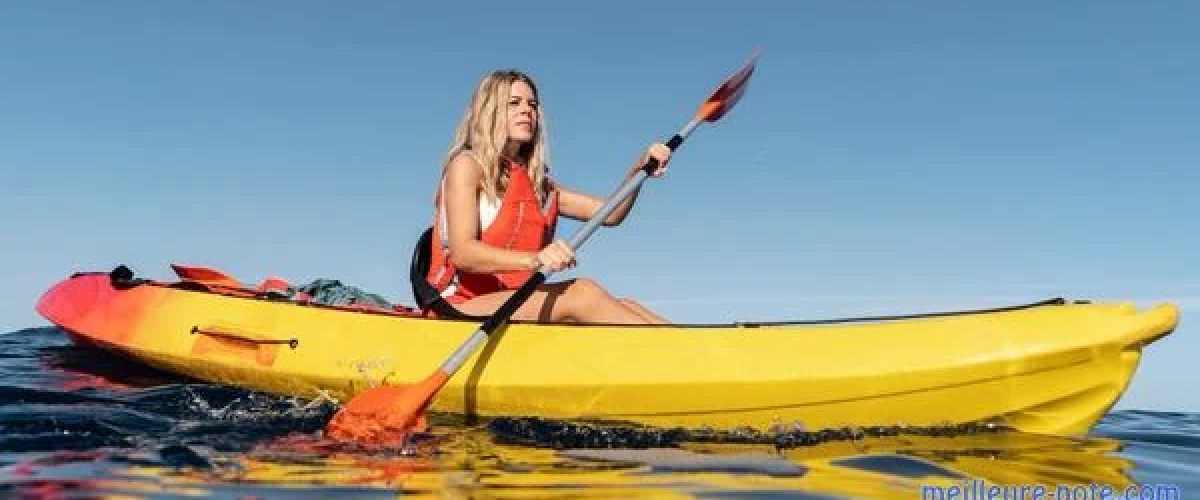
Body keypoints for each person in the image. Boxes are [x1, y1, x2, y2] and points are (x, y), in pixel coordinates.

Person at [419, 69, 670, 325]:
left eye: (532, 104)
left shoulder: (543, 188)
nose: (527, 110)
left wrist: (639, 170)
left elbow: (612, 213)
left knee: (626, 305)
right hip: (460, 305)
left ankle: (696, 357)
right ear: (489, 110)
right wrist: (536, 258)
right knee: (582, 294)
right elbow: (463, 253)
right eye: (514, 103)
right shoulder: (467, 166)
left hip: (512, 303)